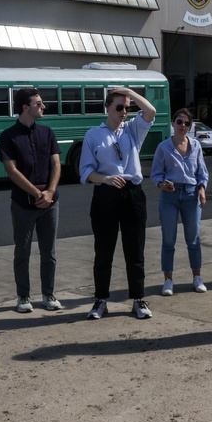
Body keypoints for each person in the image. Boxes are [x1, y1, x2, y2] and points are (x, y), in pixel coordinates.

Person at [80, 88, 157, 320]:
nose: (124, 112)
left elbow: (150, 111)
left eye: (127, 107)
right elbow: (85, 170)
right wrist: (105, 179)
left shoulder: (133, 129)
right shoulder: (94, 134)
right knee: (104, 250)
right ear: (108, 108)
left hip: (133, 193)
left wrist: (128, 92)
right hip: (106, 193)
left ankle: (138, 299)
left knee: (135, 249)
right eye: (119, 107)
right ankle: (101, 300)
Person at [0, 88, 62, 314]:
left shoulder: (47, 133)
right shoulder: (8, 136)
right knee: (22, 251)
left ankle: (48, 294)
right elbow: (12, 171)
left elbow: (56, 164)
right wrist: (37, 193)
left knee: (49, 252)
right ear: (25, 107)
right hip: (23, 204)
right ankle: (23, 296)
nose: (43, 107)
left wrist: (50, 192)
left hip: (50, 203)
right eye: (38, 103)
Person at [151, 108, 209, 296]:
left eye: (187, 123)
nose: (183, 126)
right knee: (169, 239)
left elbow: (202, 172)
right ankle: (168, 280)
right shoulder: (163, 147)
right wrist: (161, 184)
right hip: (170, 195)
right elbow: (156, 173)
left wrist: (202, 189)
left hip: (191, 194)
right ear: (173, 123)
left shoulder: (196, 146)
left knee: (193, 238)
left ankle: (197, 277)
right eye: (179, 122)